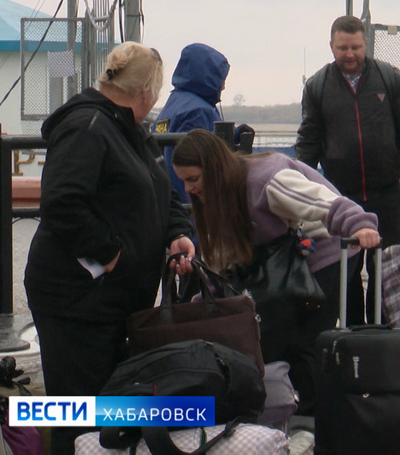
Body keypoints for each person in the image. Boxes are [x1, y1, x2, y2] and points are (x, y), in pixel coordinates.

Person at [24, 42, 195, 455]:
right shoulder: (88, 127)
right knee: (80, 413)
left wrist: (176, 231)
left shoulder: (131, 130)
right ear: (146, 91)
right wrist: (110, 253)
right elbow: (62, 200)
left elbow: (162, 192)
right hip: (77, 302)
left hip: (116, 304)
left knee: (112, 412)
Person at [171, 128, 381, 418]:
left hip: (325, 247)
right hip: (280, 256)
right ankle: (286, 412)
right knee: (271, 336)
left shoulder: (266, 180)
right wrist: (204, 298)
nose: (189, 189)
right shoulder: (215, 198)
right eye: (184, 182)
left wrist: (360, 225)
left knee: (304, 340)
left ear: (216, 168)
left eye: (193, 179)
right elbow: (220, 259)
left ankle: (308, 421)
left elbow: (324, 203)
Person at [295, 15, 400, 325]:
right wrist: (300, 183)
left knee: (386, 269)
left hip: (385, 193)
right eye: (342, 48)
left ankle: (384, 331)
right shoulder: (318, 86)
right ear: (331, 46)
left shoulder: (389, 78)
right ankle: (354, 331)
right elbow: (309, 139)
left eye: (355, 47)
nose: (350, 54)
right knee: (347, 271)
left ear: (365, 43)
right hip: (342, 197)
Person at [154, 43, 231, 204]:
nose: (223, 85)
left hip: (167, 203)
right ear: (210, 77)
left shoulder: (172, 105)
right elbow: (196, 161)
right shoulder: (199, 111)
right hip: (190, 207)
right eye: (221, 79)